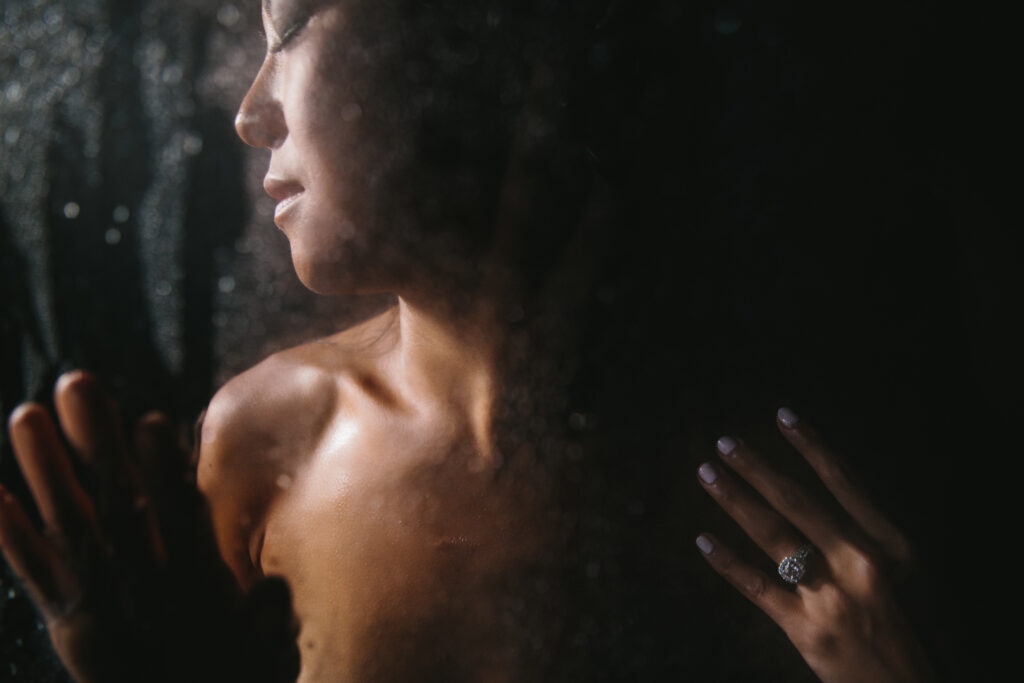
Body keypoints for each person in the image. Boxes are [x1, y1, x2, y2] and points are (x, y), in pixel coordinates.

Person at [0, 1, 935, 680]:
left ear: (485, 48)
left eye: (286, 33)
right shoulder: (264, 438)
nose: (250, 111)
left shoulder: (769, 481)